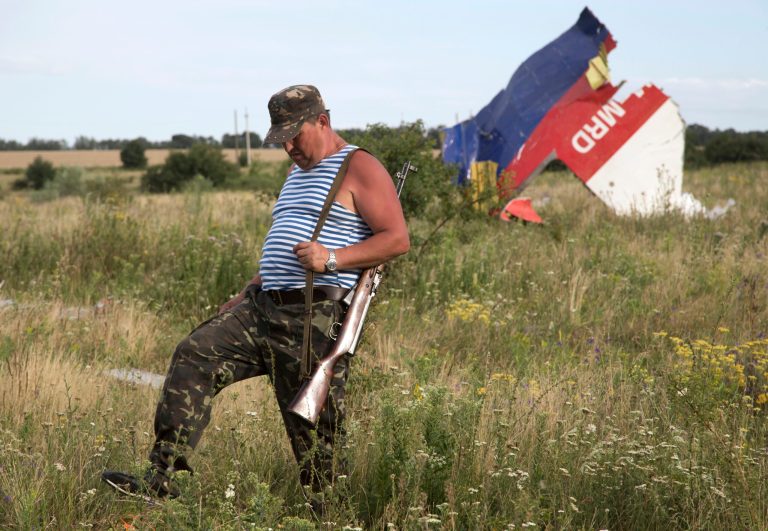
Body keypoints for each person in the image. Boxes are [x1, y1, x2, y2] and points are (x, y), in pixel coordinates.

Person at [102, 85, 410, 509]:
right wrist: (252, 286)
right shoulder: (296, 173)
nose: (287, 147)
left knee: (312, 429)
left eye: (294, 135)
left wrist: (333, 258)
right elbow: (283, 242)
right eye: (280, 138)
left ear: (322, 121)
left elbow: (397, 239)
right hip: (261, 307)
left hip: (313, 317)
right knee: (195, 354)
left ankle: (329, 512)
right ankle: (163, 479)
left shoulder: (359, 166)